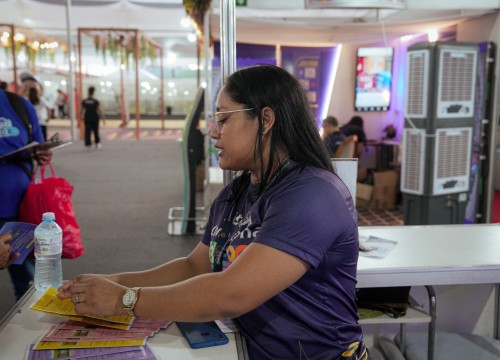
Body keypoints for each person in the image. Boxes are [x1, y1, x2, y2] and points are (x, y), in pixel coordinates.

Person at [58, 65, 366, 359]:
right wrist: (114, 282)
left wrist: (124, 300)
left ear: (265, 119)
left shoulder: (312, 194)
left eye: (223, 118)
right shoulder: (236, 193)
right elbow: (195, 267)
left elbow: (230, 294)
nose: (213, 132)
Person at [0, 88, 52, 300]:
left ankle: (27, 329)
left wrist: (41, 153)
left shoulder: (18, 105)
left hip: (20, 206)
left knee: (28, 278)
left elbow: (37, 144)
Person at [81, 86, 105, 150]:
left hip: (87, 117)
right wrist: (103, 119)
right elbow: (99, 110)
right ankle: (97, 143)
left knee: (87, 131)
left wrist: (81, 116)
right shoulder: (95, 101)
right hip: (95, 117)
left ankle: (88, 144)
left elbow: (82, 110)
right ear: (93, 92)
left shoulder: (85, 101)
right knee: (96, 130)